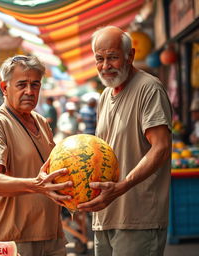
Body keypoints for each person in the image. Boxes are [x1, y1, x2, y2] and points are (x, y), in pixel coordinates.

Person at [77, 26, 173, 256]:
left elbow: (161, 147)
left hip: (137, 218)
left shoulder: (148, 88)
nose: (105, 65)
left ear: (129, 56)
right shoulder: (104, 96)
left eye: (112, 57)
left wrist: (122, 187)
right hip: (105, 215)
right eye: (99, 59)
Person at [0, 55, 73, 256]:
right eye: (21, 85)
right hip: (14, 240)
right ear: (4, 88)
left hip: (52, 235)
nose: (29, 91)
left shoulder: (41, 122)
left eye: (35, 85)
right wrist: (36, 185)